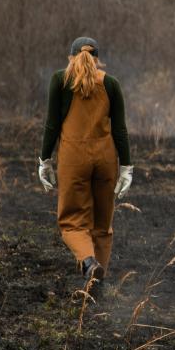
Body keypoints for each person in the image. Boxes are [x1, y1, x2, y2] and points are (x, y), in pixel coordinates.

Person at [37, 37, 134, 293]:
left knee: (72, 222)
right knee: (102, 225)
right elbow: (120, 130)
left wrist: (44, 160)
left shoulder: (61, 80)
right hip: (105, 160)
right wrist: (127, 167)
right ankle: (96, 283)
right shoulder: (110, 83)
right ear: (97, 59)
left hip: (74, 158)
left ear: (71, 58)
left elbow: (51, 124)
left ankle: (89, 263)